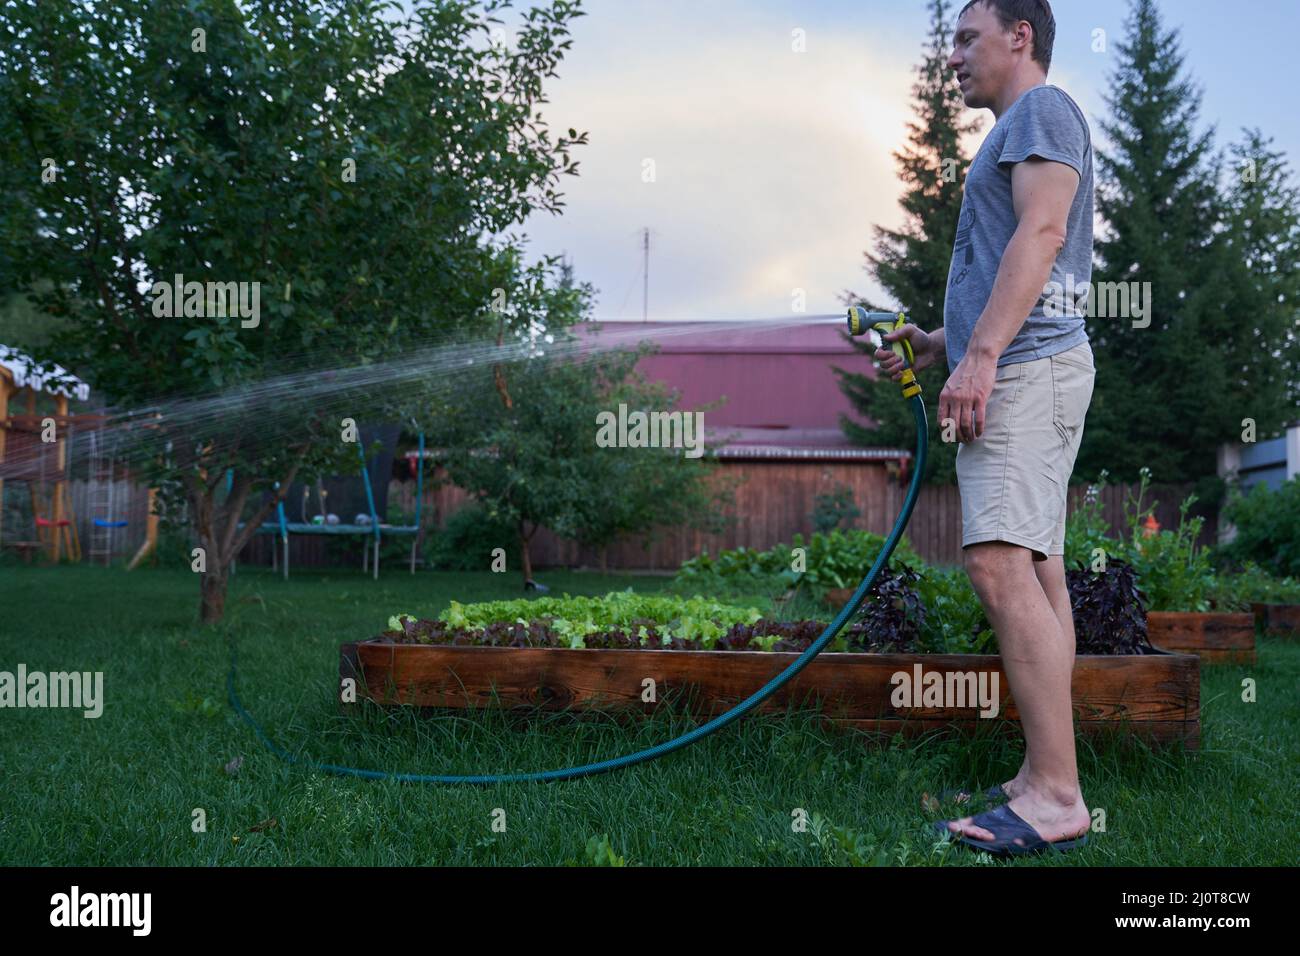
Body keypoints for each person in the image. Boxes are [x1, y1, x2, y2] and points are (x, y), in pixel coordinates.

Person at [874, 0, 1095, 855]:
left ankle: (1057, 796)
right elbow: (1021, 253)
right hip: (1032, 364)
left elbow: (1043, 233)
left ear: (1020, 35)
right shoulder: (1020, 127)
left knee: (999, 562)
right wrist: (945, 343)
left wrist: (983, 358)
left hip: (1028, 369)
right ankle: (1042, 775)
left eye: (968, 38)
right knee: (1037, 568)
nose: (953, 56)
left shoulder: (1041, 110)